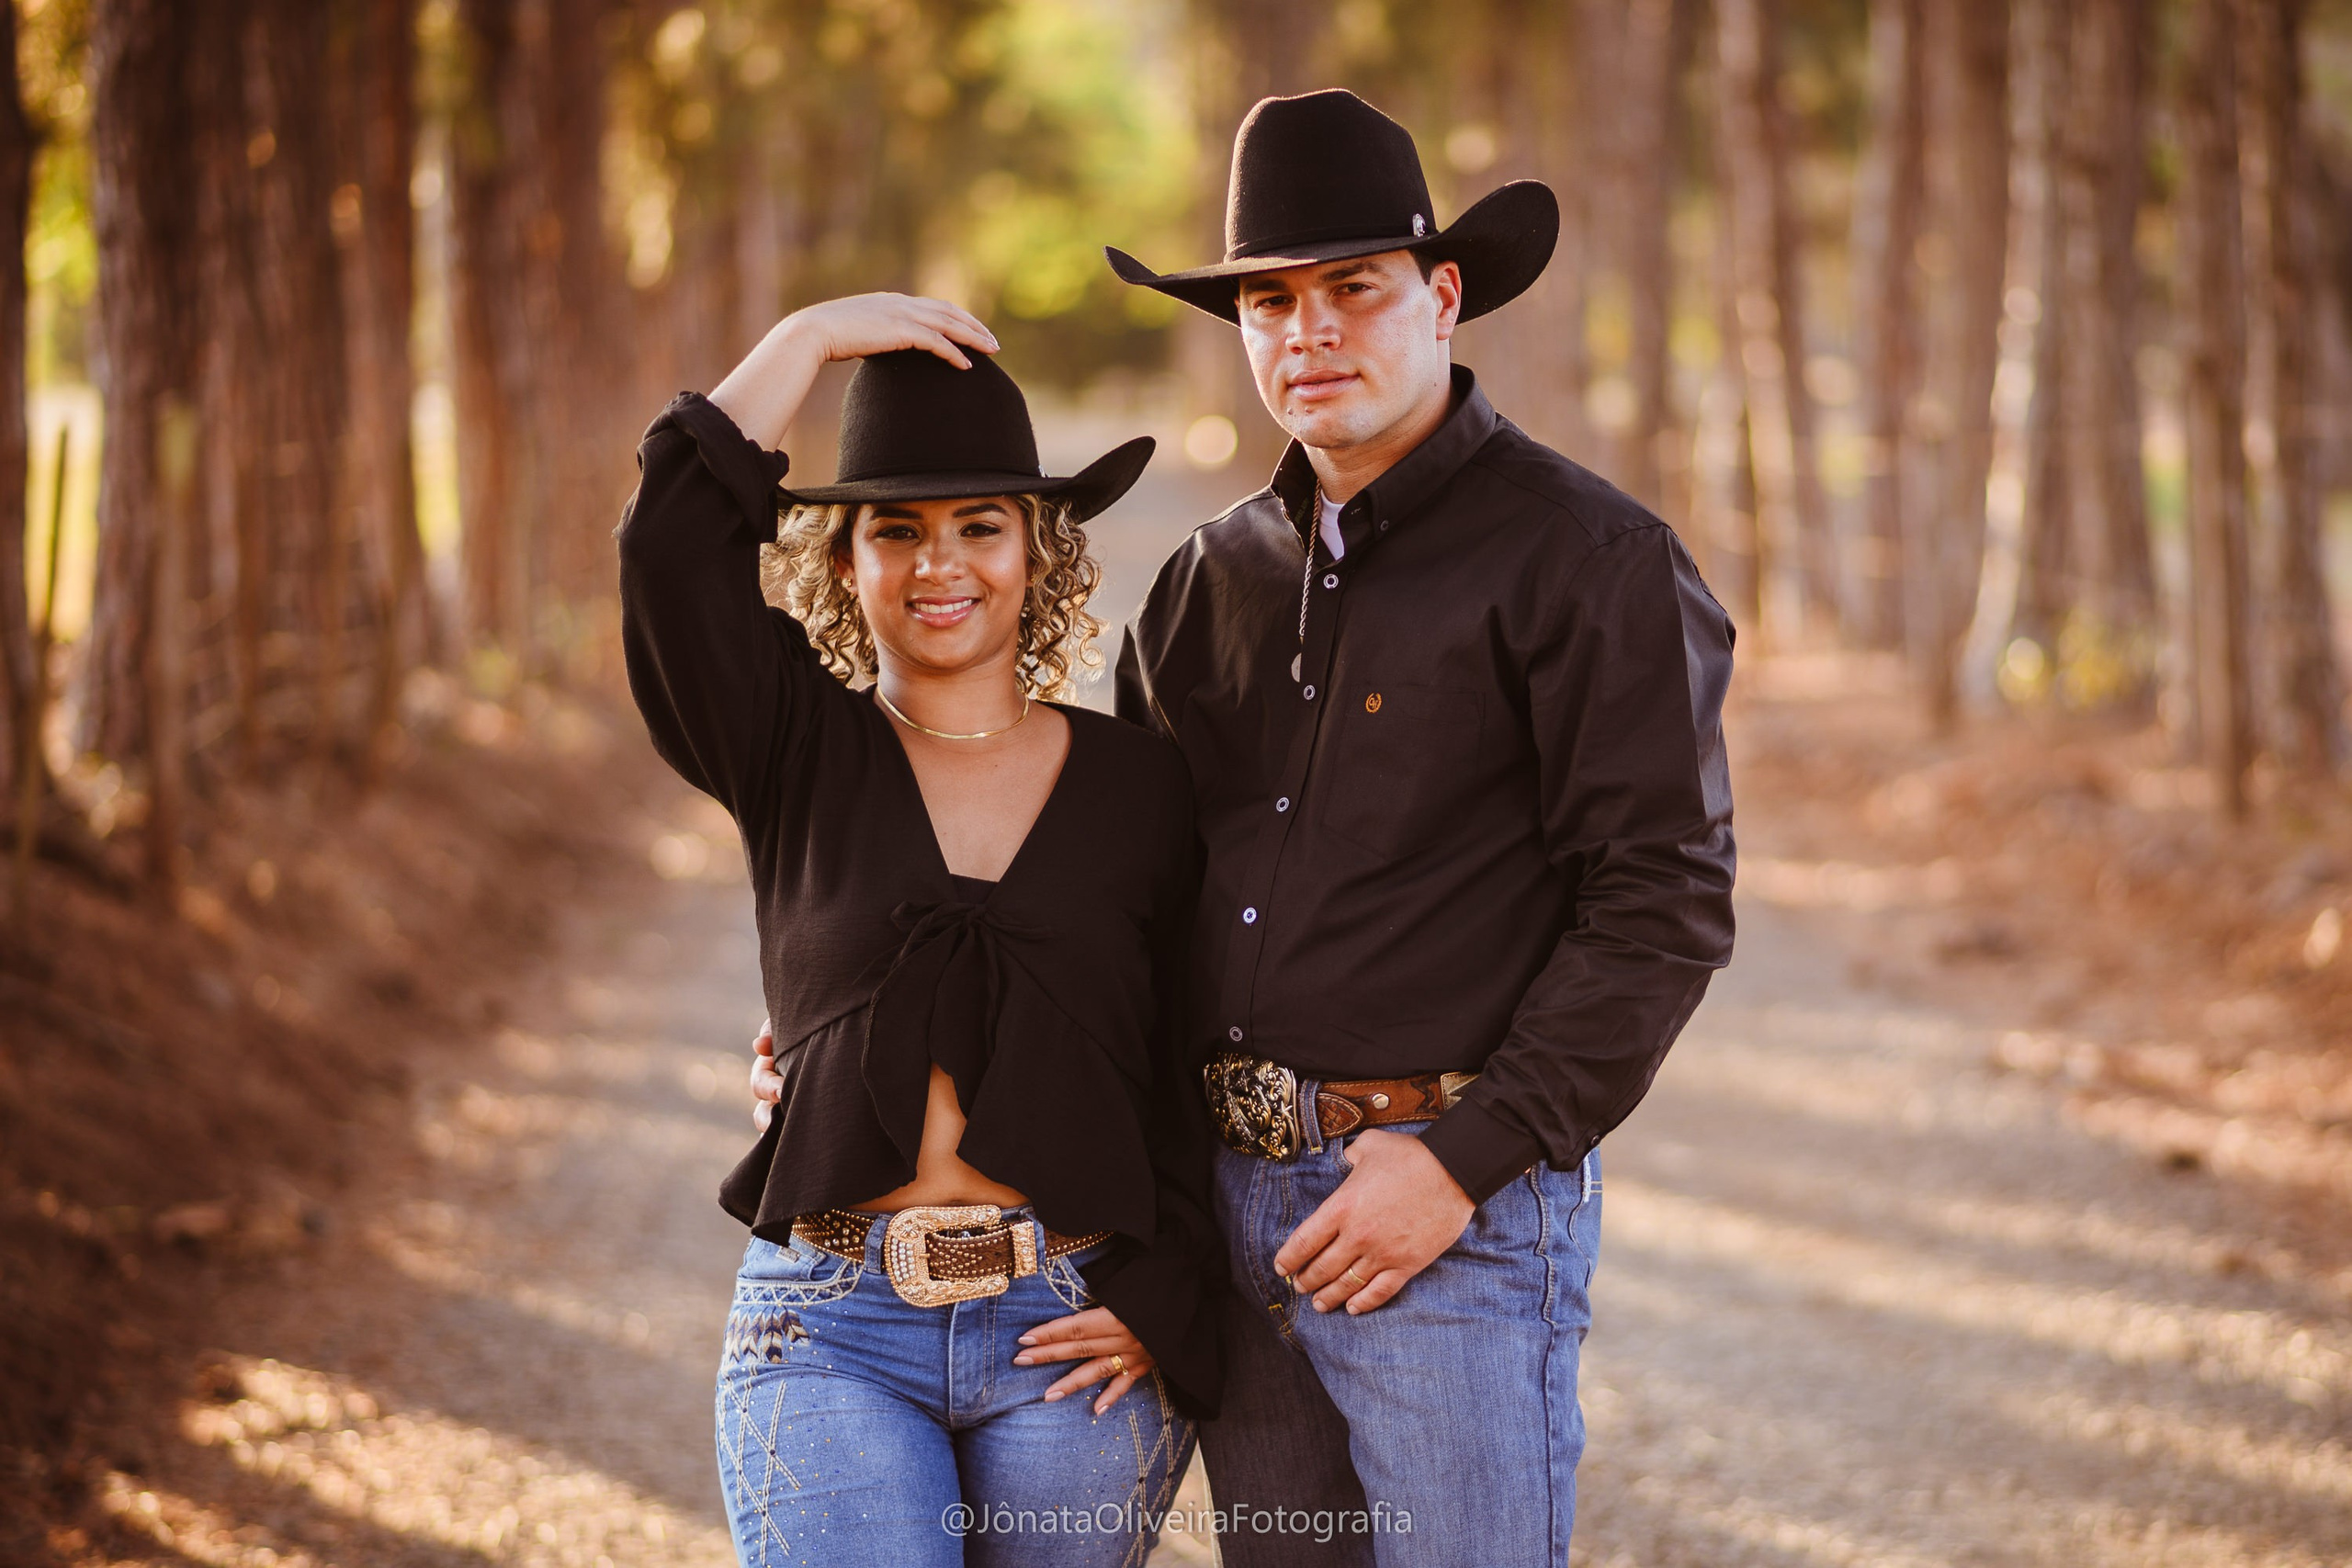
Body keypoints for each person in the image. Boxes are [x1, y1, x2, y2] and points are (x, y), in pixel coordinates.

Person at [1102, 89, 1736, 1565]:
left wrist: (1460, 1161)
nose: (1308, 332)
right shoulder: (1209, 582)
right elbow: (1108, 892)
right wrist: (852, 1040)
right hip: (1228, 1206)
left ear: (1442, 297)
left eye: (1352, 290)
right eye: (1270, 299)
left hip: (1450, 1215)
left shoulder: (1593, 563)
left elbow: (1663, 904)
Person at [618, 292, 1220, 1568]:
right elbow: (671, 553)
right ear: (846, 562)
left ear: (1038, 549)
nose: (940, 564)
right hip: (830, 1331)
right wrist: (806, 339)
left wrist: (1163, 1301)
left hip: (1069, 1330)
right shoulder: (791, 748)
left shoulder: (1142, 786)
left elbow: (1185, 1058)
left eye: (979, 526)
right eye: (896, 530)